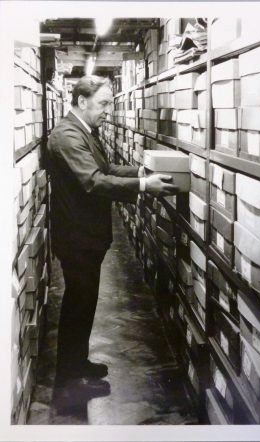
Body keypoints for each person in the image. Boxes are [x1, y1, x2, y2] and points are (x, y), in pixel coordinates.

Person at [46, 76, 178, 411]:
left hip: (86, 237)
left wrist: (142, 170)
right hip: (77, 239)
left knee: (85, 302)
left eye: (111, 104)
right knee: (78, 306)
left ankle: (79, 364)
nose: (109, 110)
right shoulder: (66, 135)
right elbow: (93, 182)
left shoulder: (82, 132)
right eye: (103, 103)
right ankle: (67, 384)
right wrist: (144, 186)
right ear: (80, 101)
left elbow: (105, 168)